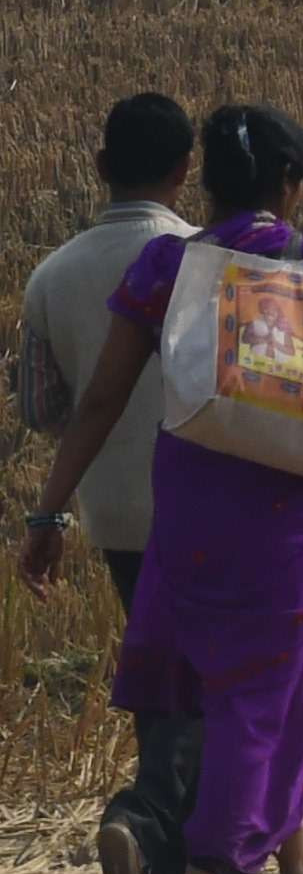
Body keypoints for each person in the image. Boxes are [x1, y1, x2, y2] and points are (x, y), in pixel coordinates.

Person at [22, 106, 303, 874]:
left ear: (207, 182)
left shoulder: (170, 266)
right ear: (291, 183)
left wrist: (46, 512)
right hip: (286, 520)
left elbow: (97, 404)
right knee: (265, 698)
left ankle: (298, 871)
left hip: (190, 515)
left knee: (234, 688)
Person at [18, 93, 197, 615]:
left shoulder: (49, 277)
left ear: (100, 166)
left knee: (153, 667)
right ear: (186, 170)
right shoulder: (211, 261)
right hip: (208, 507)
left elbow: (38, 410)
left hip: (115, 513)